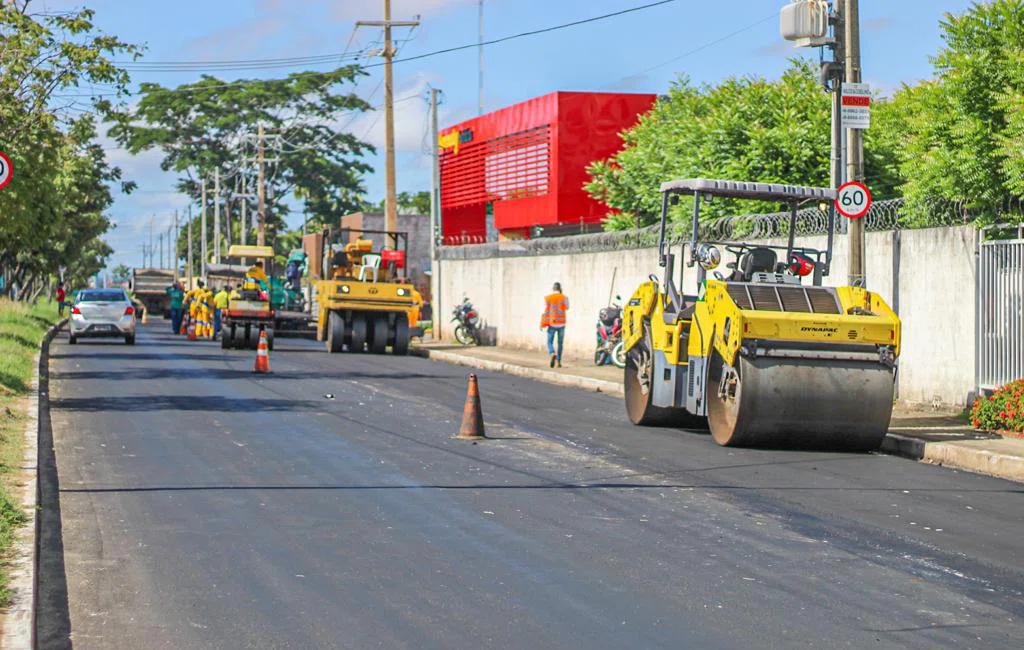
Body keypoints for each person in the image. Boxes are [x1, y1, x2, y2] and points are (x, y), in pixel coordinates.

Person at [540, 281, 569, 368]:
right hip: (561, 323)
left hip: (552, 323)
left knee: (549, 342)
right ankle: (559, 361)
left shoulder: (547, 298)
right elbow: (567, 307)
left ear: (553, 289)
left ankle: (552, 353)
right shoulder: (564, 297)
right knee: (560, 343)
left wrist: (541, 323)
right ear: (560, 289)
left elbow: (544, 311)